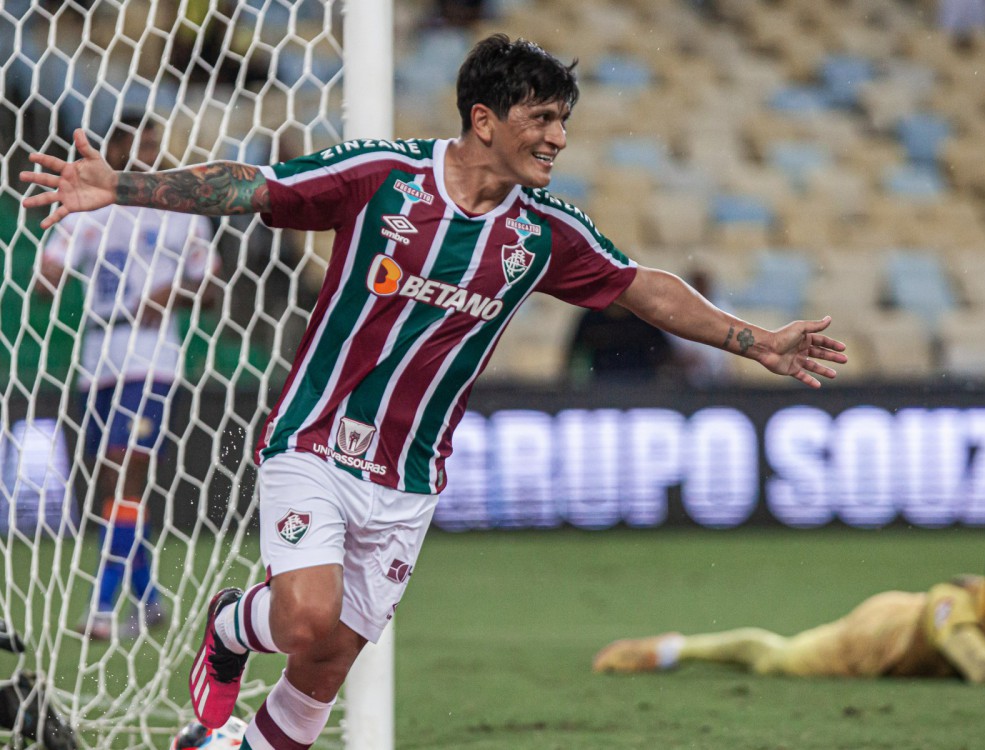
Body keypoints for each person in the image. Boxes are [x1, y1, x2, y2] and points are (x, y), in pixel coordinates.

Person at [21, 35, 848, 747]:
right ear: (484, 120)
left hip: (409, 475)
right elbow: (253, 186)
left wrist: (756, 341)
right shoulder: (383, 179)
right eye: (543, 119)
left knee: (327, 661)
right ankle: (233, 623)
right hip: (314, 435)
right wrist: (124, 187)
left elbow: (642, 287)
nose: (559, 137)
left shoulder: (540, 234)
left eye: (564, 120)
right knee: (305, 619)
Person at [33, 111, 218, 641]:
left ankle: (102, 608)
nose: (148, 155)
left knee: (126, 470)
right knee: (111, 481)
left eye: (155, 145)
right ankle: (150, 599)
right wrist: (48, 273)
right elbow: (50, 275)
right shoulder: (93, 208)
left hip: (154, 357)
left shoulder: (182, 209)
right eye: (137, 144)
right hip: (98, 354)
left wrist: (174, 292)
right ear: (113, 147)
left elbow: (209, 288)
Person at [593, 535, 985, 692]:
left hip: (917, 644)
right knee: (775, 659)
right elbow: (983, 670)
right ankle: (677, 648)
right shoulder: (950, 606)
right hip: (875, 637)